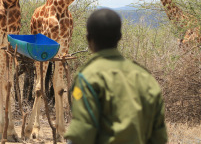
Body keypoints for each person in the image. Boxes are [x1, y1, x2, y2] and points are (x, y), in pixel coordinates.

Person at [64, 8, 167, 144]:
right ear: (119, 37)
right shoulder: (145, 78)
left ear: (89, 39)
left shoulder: (87, 78)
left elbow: (82, 134)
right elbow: (159, 137)